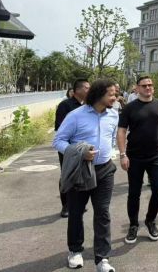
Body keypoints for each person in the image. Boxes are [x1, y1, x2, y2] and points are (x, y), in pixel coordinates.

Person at [52, 79, 119, 272]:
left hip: (105, 170)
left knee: (103, 213)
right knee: (76, 212)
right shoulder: (76, 115)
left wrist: (110, 152)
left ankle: (102, 259)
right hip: (81, 170)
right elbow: (58, 141)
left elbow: (111, 138)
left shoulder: (114, 115)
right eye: (111, 94)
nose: (115, 98)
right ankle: (75, 251)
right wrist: (80, 153)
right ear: (99, 95)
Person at [117, 76, 158, 244]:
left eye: (150, 85)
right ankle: (133, 225)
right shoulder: (129, 108)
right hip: (134, 156)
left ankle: (150, 220)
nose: (148, 88)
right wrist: (122, 154)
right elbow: (121, 131)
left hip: (156, 155)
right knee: (134, 193)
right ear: (137, 88)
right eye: (144, 85)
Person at [55, 78, 90, 217]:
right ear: (77, 90)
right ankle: (65, 206)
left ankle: (79, 203)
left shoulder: (88, 105)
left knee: (82, 174)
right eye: (87, 88)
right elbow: (59, 128)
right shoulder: (65, 105)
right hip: (68, 148)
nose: (89, 90)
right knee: (67, 175)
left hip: (84, 148)